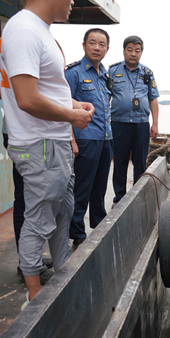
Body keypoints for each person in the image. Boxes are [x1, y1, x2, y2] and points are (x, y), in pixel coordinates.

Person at [0, 0, 94, 306]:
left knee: (63, 213)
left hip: (54, 144)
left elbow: (46, 91)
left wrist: (72, 107)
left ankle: (62, 276)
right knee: (38, 221)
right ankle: (36, 296)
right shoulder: (23, 29)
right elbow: (25, 98)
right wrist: (71, 117)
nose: (72, 1)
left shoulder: (40, 32)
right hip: (39, 146)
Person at [0, 0, 53, 285]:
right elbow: (29, 97)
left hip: (18, 133)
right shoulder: (26, 37)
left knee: (29, 199)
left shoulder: (9, 38)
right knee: (32, 202)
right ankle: (28, 267)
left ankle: (28, 261)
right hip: (30, 135)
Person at [64, 29, 113, 250]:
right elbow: (64, 107)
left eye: (101, 44)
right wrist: (72, 140)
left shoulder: (104, 74)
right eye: (92, 43)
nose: (96, 47)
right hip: (85, 139)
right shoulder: (73, 73)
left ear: (107, 49)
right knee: (82, 187)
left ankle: (99, 224)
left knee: (100, 186)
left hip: (105, 138)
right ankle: (77, 232)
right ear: (84, 45)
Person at [108, 36, 159, 206]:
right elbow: (105, 97)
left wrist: (155, 123)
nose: (133, 53)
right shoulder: (112, 72)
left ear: (141, 53)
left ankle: (138, 197)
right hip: (118, 123)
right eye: (130, 49)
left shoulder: (147, 73)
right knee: (120, 161)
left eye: (137, 50)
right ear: (124, 51)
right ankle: (119, 197)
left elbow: (153, 99)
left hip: (141, 124)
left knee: (140, 161)